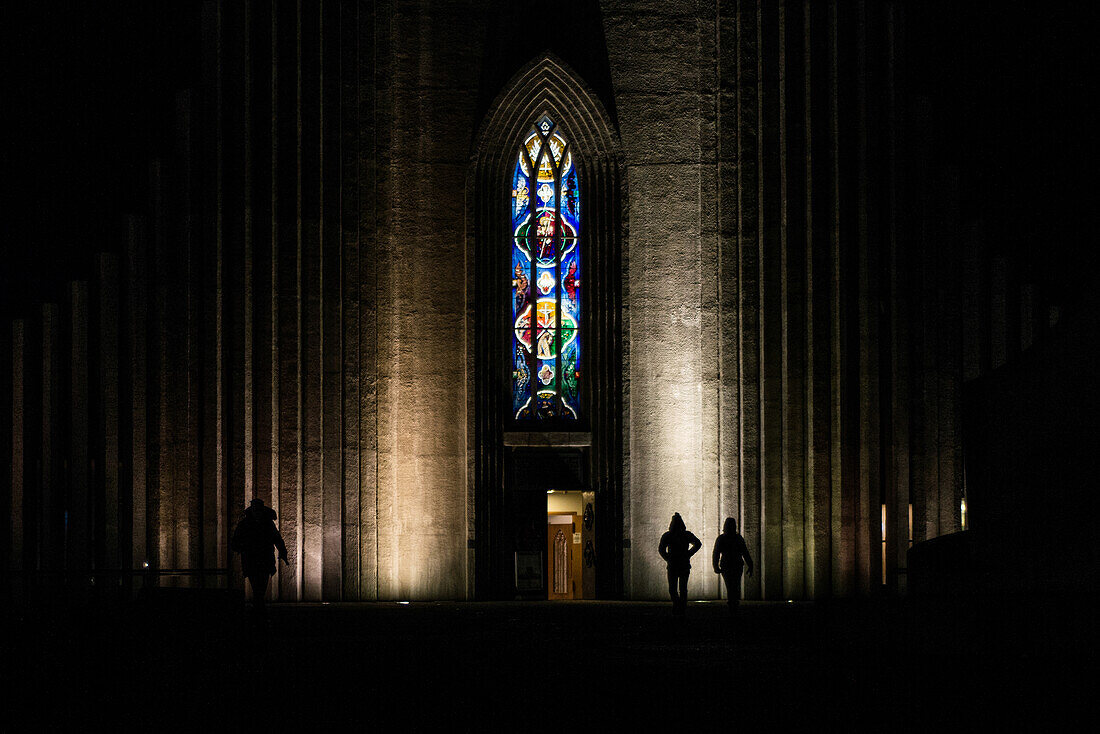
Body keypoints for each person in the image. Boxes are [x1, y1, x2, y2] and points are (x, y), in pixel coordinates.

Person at [231, 498, 288, 616]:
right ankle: (259, 608)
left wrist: (283, 553)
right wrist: (240, 547)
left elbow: (277, 539)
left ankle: (258, 608)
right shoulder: (247, 524)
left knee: (260, 585)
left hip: (262, 559)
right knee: (257, 585)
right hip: (253, 559)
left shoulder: (265, 524)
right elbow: (236, 540)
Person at [658, 513, 702, 617]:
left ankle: (678, 606)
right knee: (681, 589)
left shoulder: (669, 535)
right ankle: (680, 607)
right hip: (682, 564)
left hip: (675, 564)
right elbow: (698, 544)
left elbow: (661, 549)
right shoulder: (685, 535)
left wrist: (668, 557)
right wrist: (688, 554)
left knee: (675, 589)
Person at [712, 517, 753, 614]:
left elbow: (716, 553)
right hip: (736, 565)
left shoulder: (722, 538)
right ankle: (733, 605)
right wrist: (750, 565)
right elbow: (745, 553)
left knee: (730, 586)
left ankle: (732, 605)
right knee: (734, 586)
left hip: (727, 565)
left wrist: (716, 566)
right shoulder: (738, 538)